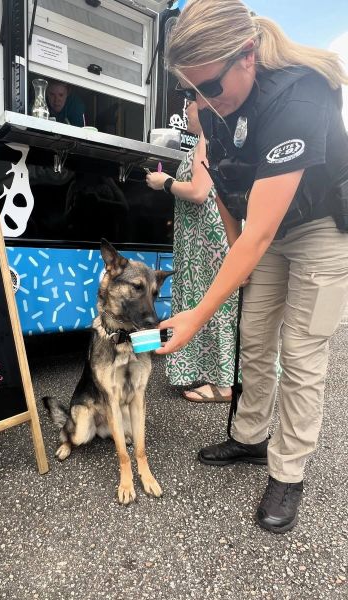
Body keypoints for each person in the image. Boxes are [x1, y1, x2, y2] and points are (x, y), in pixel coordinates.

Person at [157, 0, 348, 534]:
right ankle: (249, 438)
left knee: (304, 350)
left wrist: (196, 313)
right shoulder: (216, 104)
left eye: (209, 88)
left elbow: (267, 225)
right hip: (267, 227)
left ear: (246, 57)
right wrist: (236, 252)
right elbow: (225, 184)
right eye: (192, 92)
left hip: (321, 228)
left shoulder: (299, 93)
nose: (203, 102)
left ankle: (288, 473)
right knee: (253, 337)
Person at [146, 101, 238, 402]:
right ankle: (217, 375)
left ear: (206, 109)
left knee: (214, 307)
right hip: (201, 241)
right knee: (208, 304)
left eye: (191, 105)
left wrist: (165, 182)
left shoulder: (207, 142)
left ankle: (223, 384)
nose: (186, 111)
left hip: (207, 242)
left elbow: (199, 192)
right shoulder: (206, 141)